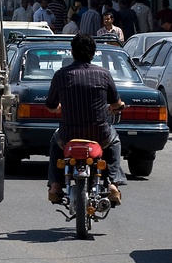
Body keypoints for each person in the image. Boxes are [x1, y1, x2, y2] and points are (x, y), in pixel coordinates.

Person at [44, 33, 126, 205]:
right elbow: (116, 102)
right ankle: (112, 183)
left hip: (68, 136)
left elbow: (51, 104)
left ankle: (56, 186)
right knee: (115, 140)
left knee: (54, 141)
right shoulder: (103, 74)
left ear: (72, 52)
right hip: (100, 135)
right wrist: (116, 106)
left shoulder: (61, 75)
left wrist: (57, 108)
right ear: (93, 53)